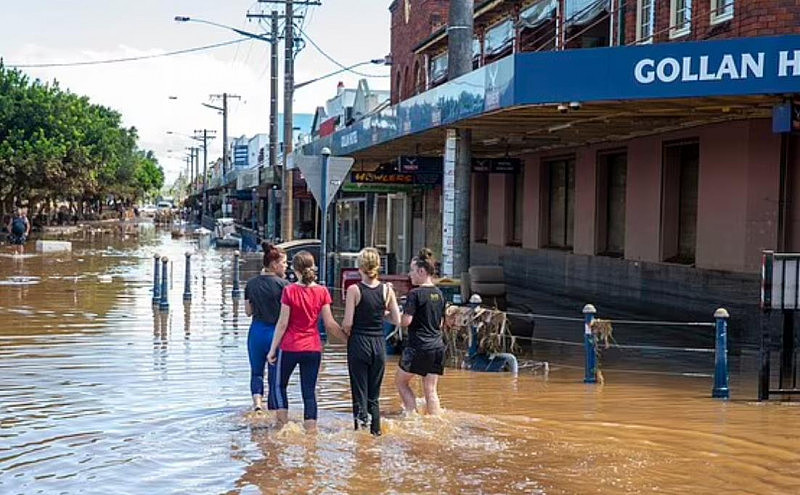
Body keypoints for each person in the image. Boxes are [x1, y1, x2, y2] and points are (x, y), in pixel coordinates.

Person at [267, 251, 342, 431]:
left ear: (295, 269)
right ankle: (311, 433)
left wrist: (272, 350)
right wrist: (348, 339)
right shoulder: (322, 291)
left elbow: (283, 323)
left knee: (279, 385)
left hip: (290, 347)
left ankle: (282, 427)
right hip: (313, 348)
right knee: (309, 392)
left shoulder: (289, 291)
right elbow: (330, 324)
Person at [342, 248, 402, 435]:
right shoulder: (387, 290)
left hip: (359, 343)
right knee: (374, 397)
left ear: (360, 266)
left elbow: (348, 323)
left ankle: (360, 435)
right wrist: (379, 314)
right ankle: (376, 434)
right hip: (378, 344)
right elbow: (397, 319)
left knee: (359, 393)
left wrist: (346, 330)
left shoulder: (354, 290)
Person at [395, 248, 446, 416]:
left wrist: (393, 316)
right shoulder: (439, 294)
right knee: (431, 390)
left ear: (422, 271)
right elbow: (440, 323)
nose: (410, 274)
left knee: (401, 382)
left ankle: (411, 416)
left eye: (412, 270)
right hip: (437, 347)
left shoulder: (414, 294)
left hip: (417, 346)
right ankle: (435, 421)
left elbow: (406, 321)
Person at [244, 242, 289, 413]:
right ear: (274, 264)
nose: (286, 266)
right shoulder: (284, 286)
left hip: (256, 332)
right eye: (284, 263)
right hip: (275, 334)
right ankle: (273, 411)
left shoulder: (251, 284)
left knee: (256, 372)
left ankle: (257, 405)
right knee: (274, 377)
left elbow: (248, 312)